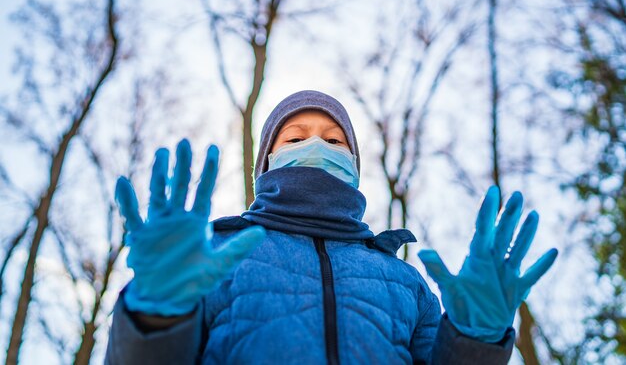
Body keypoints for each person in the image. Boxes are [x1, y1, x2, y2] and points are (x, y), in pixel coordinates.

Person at [105, 90, 557, 364]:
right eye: (296, 137)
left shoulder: (403, 280)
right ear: (266, 163)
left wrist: (475, 339)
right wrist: (154, 317)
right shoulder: (213, 256)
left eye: (334, 139)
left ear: (355, 166)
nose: (317, 144)